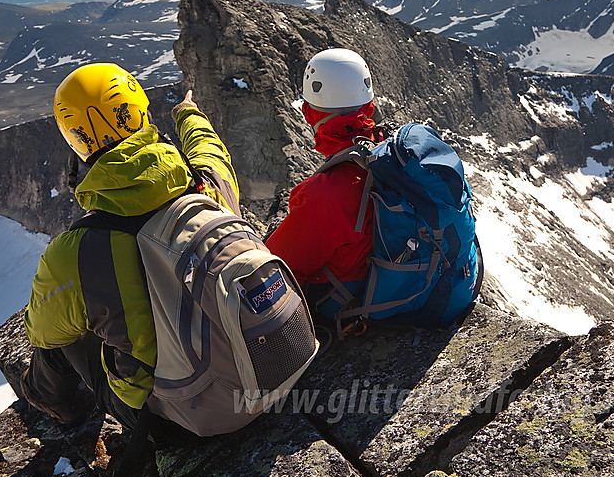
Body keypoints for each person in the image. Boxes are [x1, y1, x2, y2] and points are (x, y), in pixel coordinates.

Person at [21, 62, 239, 442]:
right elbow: (210, 151)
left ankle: (63, 411)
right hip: (259, 361)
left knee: (61, 336)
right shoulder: (206, 186)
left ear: (75, 142)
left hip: (178, 419)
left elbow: (40, 331)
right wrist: (188, 115)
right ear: (140, 111)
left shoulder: (74, 253)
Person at [266, 48, 385, 313]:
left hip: (346, 302)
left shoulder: (323, 195)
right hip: (414, 284)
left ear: (309, 114)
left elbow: (275, 266)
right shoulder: (394, 154)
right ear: (370, 106)